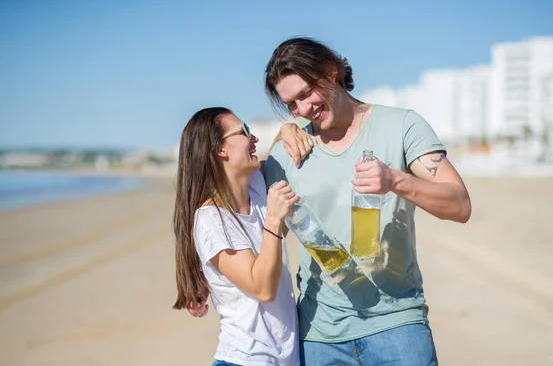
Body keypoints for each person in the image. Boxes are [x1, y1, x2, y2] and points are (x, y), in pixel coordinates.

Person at [259, 37, 472, 365]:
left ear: (332, 72)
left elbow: (460, 205)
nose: (303, 110)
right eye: (292, 105)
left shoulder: (401, 125)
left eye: (306, 94)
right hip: (319, 335)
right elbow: (250, 226)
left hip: (397, 323)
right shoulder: (288, 151)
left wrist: (395, 180)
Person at [172, 107, 312, 366]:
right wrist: (273, 219)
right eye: (244, 131)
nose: (254, 138)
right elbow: (262, 288)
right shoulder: (211, 219)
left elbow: (278, 150)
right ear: (220, 149)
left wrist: (287, 129)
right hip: (245, 359)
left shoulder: (256, 186)